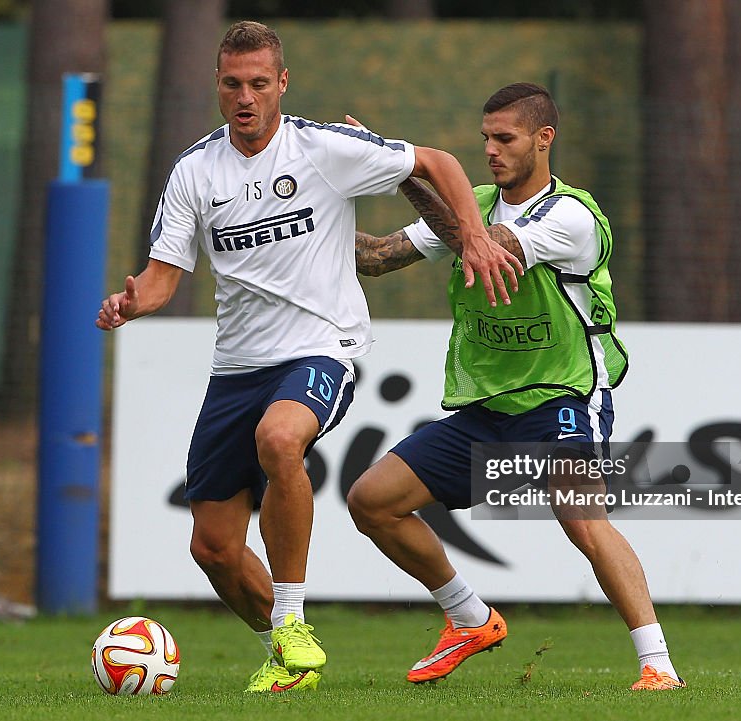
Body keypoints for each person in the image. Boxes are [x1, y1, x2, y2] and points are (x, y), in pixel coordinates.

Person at [96, 22, 520, 694]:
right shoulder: (194, 171)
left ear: (282, 84)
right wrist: (132, 303)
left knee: (280, 437)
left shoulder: (323, 147)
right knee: (212, 547)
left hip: (323, 346)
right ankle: (287, 655)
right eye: (233, 83)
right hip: (237, 367)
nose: (246, 96)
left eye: (259, 83)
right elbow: (161, 277)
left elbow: (435, 161)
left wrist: (472, 236)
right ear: (217, 84)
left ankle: (292, 617)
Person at [347, 83, 685, 691]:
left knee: (580, 514)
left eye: (505, 139)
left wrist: (401, 170)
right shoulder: (472, 203)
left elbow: (478, 247)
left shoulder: (572, 217)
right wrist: (288, 232)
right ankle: (470, 618)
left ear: (543, 139)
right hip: (489, 404)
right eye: (485, 140)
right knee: (372, 501)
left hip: (563, 392)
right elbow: (375, 257)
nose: (491, 152)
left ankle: (657, 664)